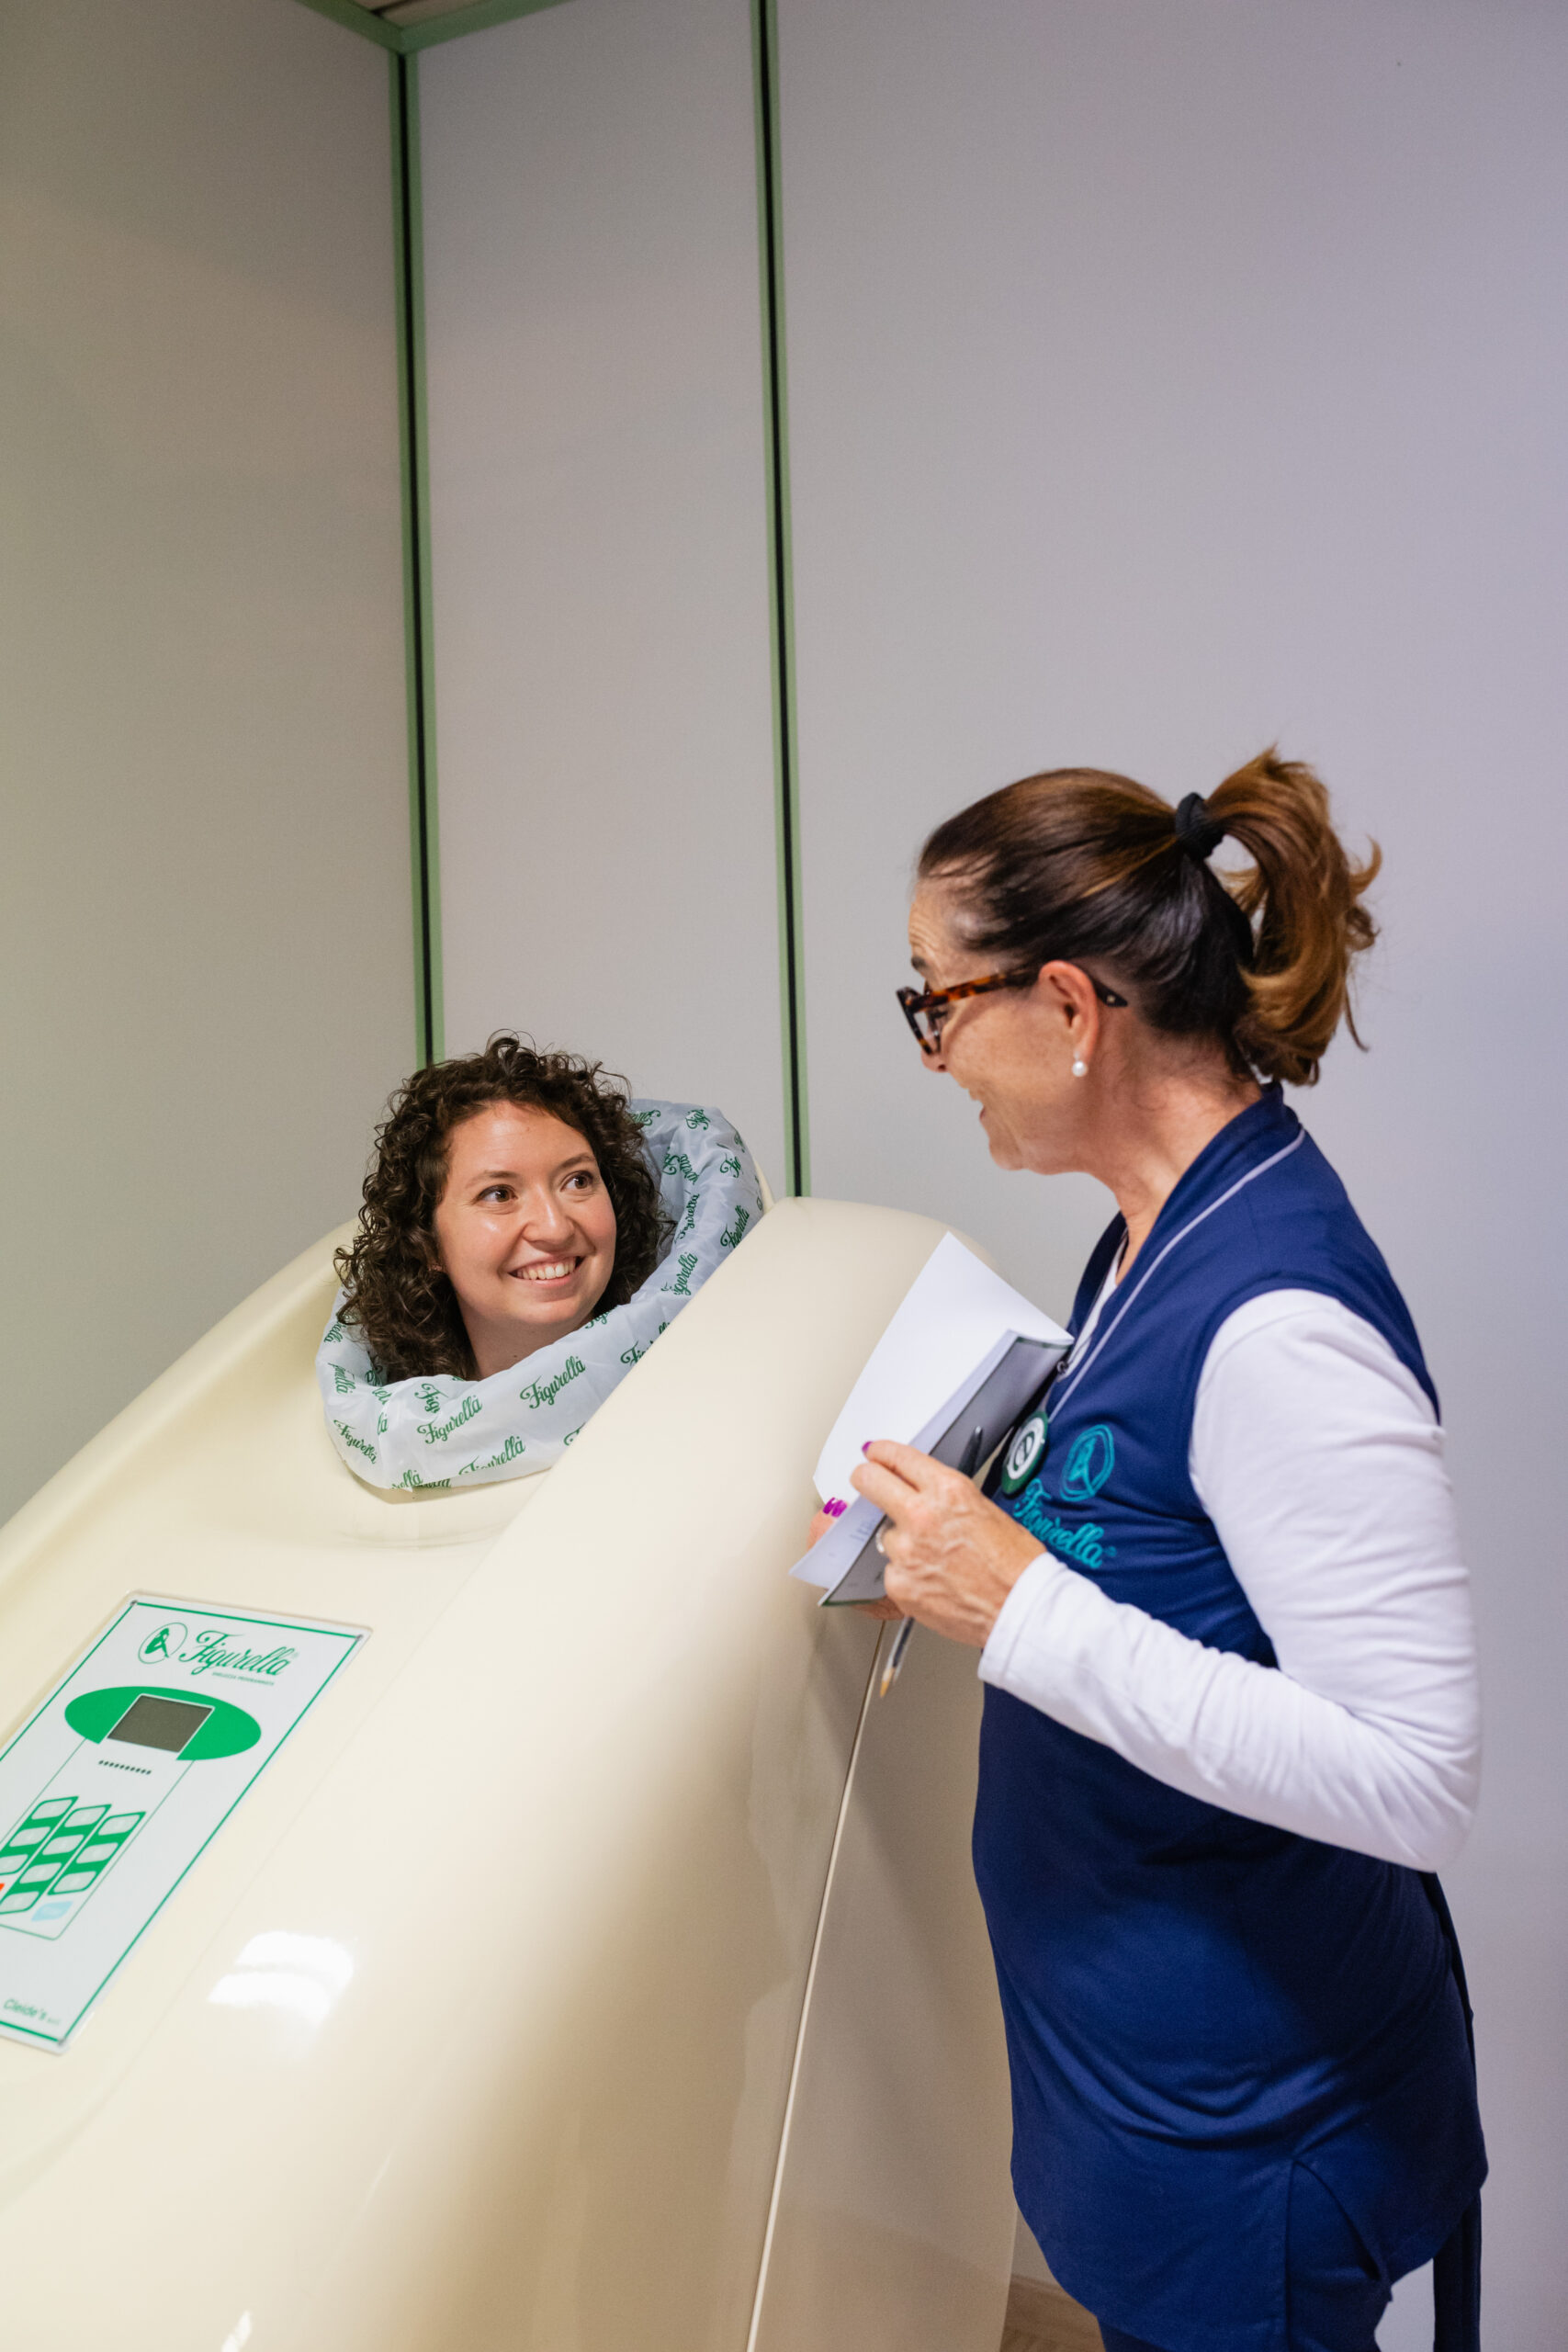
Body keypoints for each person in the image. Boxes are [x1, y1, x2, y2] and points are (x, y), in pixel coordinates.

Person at [849, 752, 1484, 2352]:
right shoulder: (1146, 1226)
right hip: (1146, 2099)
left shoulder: (1277, 1324)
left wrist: (1022, 1608)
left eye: (936, 1002)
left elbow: (1413, 1776)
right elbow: (1169, 1550)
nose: (933, 1054)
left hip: (1253, 2135)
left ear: (1068, 1007)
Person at [318, 1035, 761, 1490]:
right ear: (427, 1245)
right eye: (499, 1194)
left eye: (578, 1181)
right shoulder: (370, 1440)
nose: (554, 1228)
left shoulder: (724, 1400)